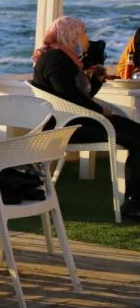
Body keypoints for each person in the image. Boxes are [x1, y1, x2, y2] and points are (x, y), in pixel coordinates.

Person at [33, 16, 140, 219]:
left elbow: (78, 97)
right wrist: (101, 111)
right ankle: (133, 204)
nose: (86, 38)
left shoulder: (61, 56)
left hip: (76, 120)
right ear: (71, 33)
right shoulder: (56, 58)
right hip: (69, 126)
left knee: (136, 133)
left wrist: (97, 80)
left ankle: (134, 202)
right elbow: (70, 97)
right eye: (83, 33)